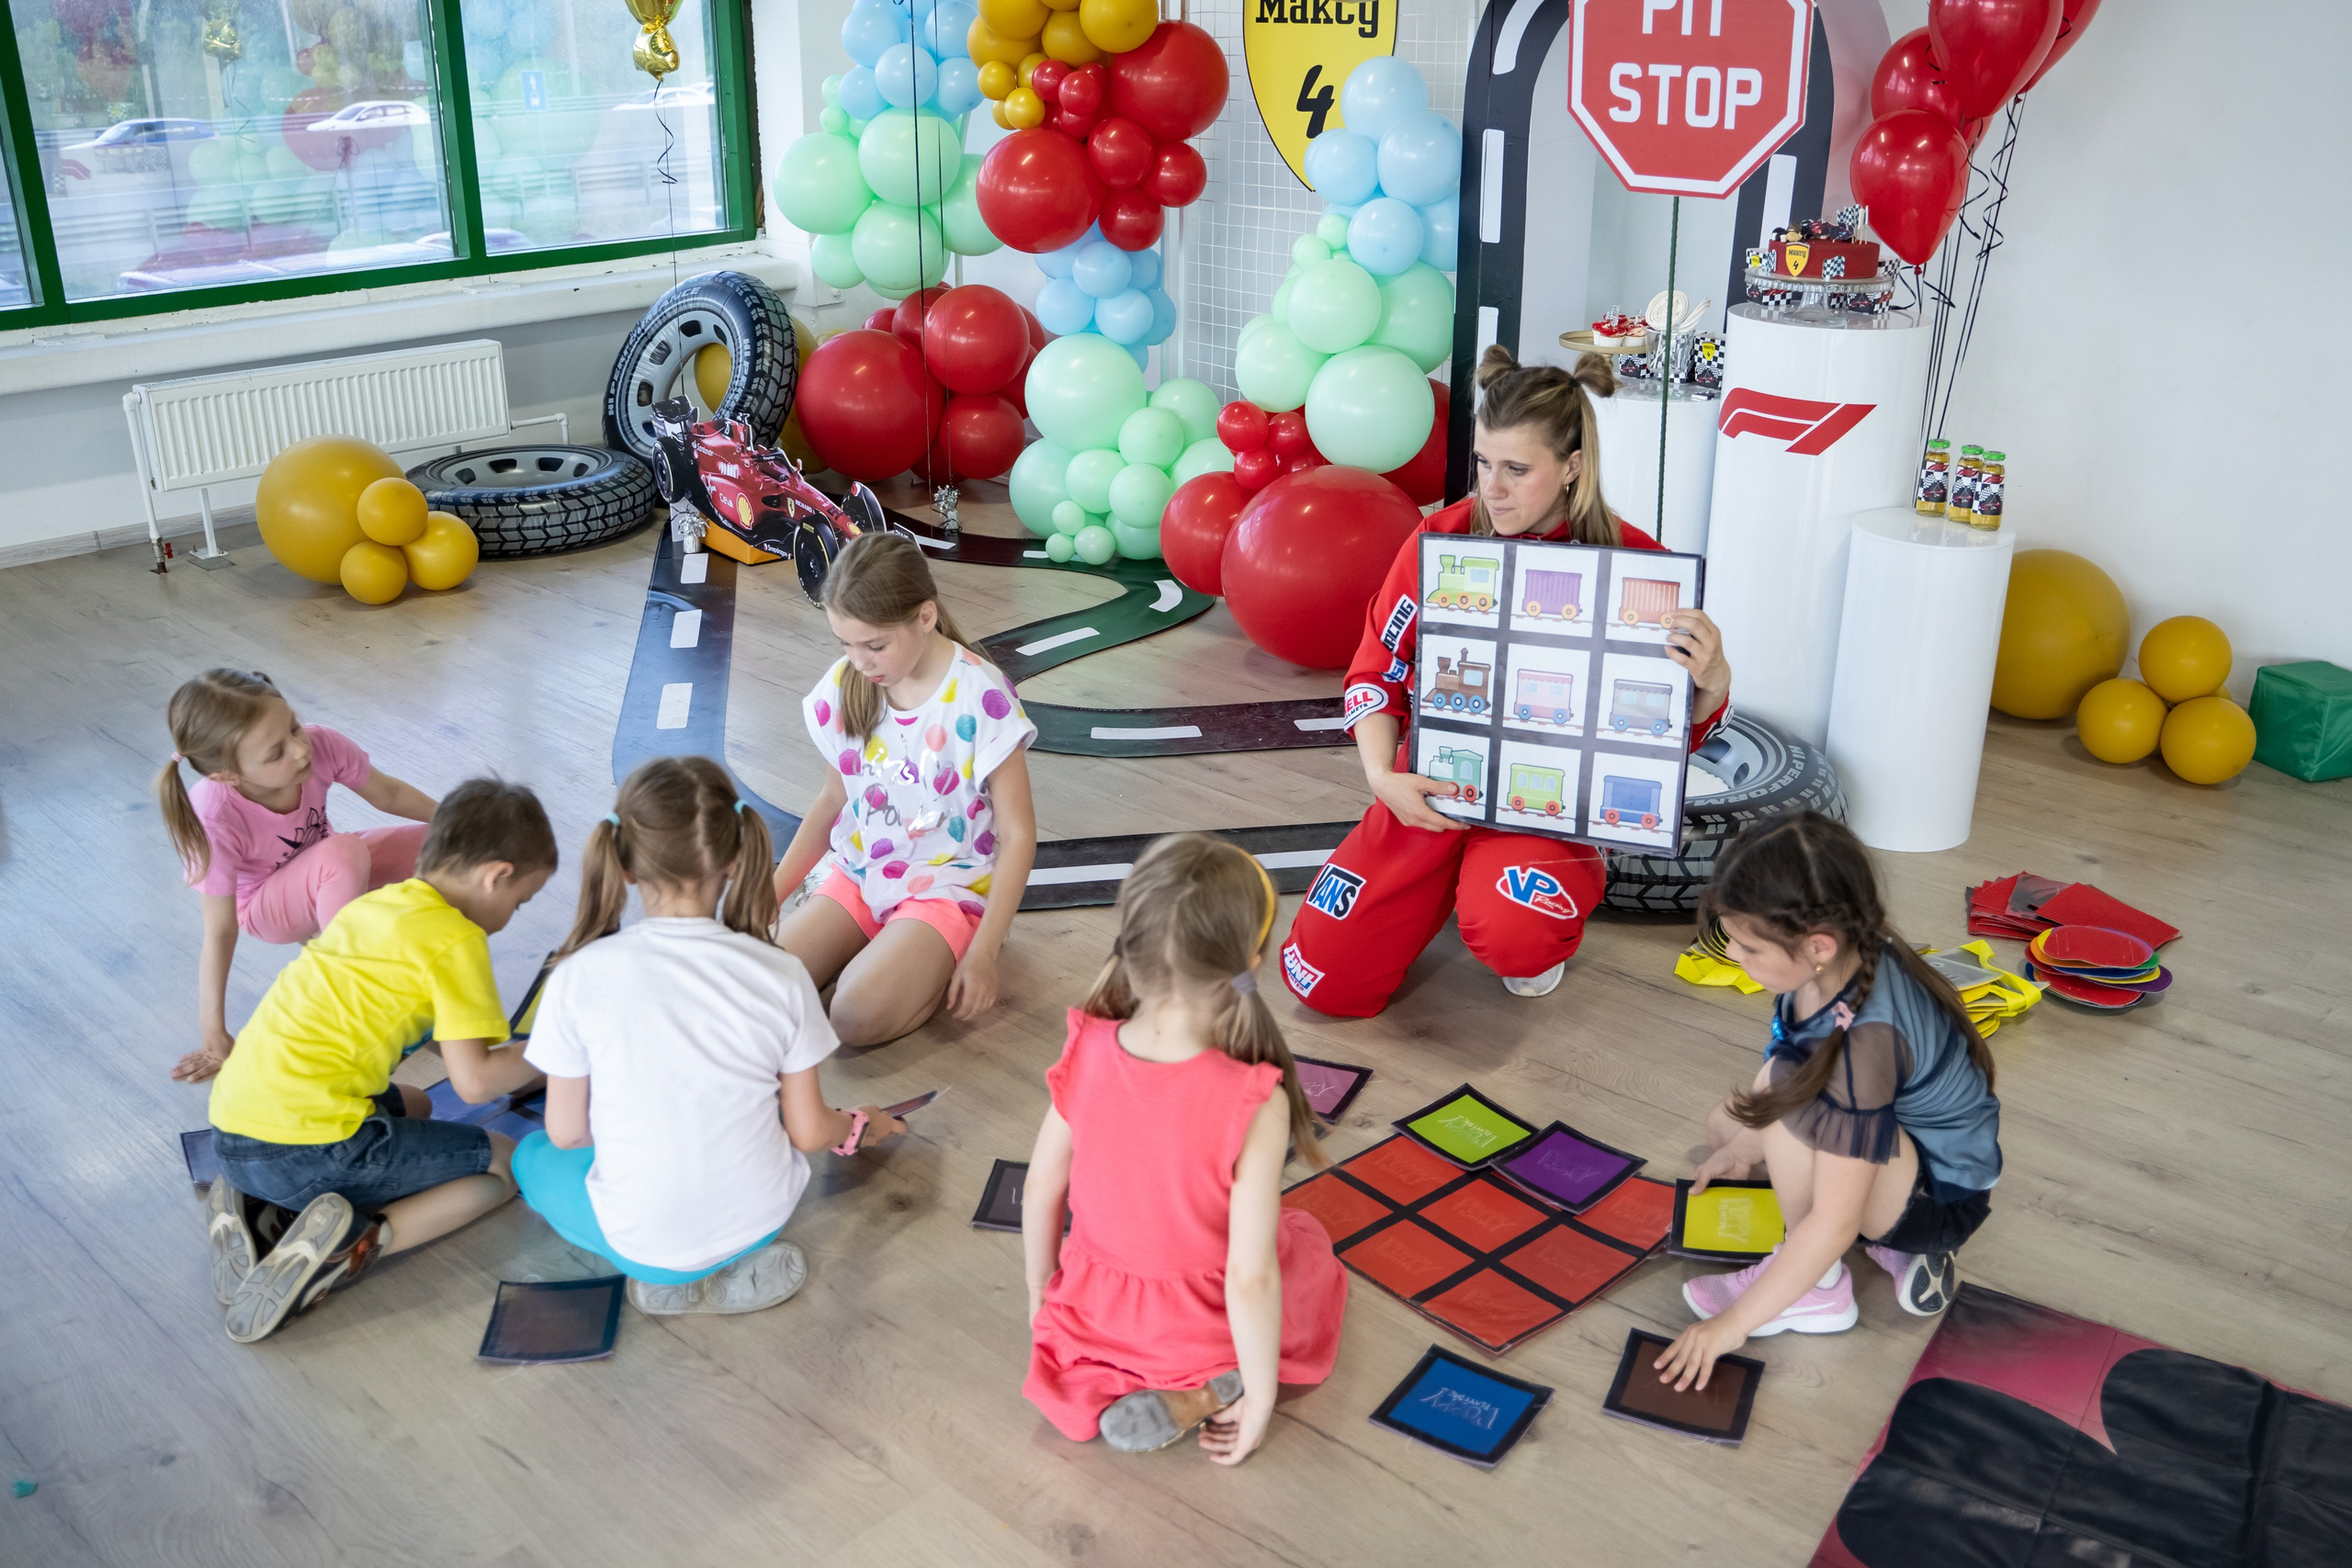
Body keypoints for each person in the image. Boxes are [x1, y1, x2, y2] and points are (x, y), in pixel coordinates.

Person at [1280, 347, 1735, 1016]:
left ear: (1572, 467)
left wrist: (1714, 677)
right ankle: (1439, 887)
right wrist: (1382, 777)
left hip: (1546, 801)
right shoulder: (1439, 540)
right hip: (1433, 784)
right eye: (1484, 463)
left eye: (1517, 469)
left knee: (1514, 935)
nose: (1492, 488)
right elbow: (1376, 670)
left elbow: (1669, 733)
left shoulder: (1638, 566)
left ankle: (1520, 903)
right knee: (1320, 978)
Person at [513, 756, 907, 1317]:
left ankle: (667, 1273)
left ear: (624, 864)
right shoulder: (781, 971)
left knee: (530, 1158)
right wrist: (861, 1124)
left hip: (641, 1243)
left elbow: (568, 1133)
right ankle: (735, 1266)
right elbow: (810, 1130)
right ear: (736, 857)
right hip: (760, 1219)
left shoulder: (576, 974)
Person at [1022, 834, 1349, 1465]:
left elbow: (1041, 1188)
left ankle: (1140, 1374)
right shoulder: (1256, 1098)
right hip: (1200, 1319)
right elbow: (1251, 1279)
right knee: (1306, 1258)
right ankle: (1214, 1381)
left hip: (1091, 1307)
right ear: (1251, 956)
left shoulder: (1085, 1045)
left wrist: (1043, 1293)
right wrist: (1260, 1398)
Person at [1654, 811, 2003, 1393]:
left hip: (1940, 1197)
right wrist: (1743, 1146)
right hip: (1902, 1147)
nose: (1735, 957)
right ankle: (1884, 1250)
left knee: (1792, 1115)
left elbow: (1834, 1219)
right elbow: (1789, 1057)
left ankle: (1820, 1291)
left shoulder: (1863, 1046)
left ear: (1817, 945)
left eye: (1747, 946)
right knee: (1728, 1124)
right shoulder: (1839, 961)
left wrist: (1733, 1326)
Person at [202, 778, 559, 1345]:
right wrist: (560, 1047)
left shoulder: (376, 906)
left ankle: (257, 1201)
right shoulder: (456, 940)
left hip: (235, 1130)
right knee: (505, 1167)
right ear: (497, 875)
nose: (511, 915)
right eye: (519, 902)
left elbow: (442, 1039)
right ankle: (353, 1247)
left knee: (416, 1102)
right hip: (311, 1148)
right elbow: (475, 1083)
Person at [771, 533, 1038, 1045]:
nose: (860, 662)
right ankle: (884, 948)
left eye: (874, 645)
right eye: (845, 644)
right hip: (863, 871)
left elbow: (1019, 835)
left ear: (925, 617)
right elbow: (833, 800)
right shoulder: (848, 684)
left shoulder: (981, 696)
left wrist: (983, 951)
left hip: (945, 886)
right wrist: (773, 892)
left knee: (852, 1018)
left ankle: (933, 950)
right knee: (762, 989)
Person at [158, 669, 441, 1083]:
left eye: (293, 727)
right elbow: (220, 930)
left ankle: (417, 963)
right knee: (343, 851)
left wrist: (465, 819)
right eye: (276, 753)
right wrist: (213, 1033)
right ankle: (352, 994)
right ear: (228, 776)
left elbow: (390, 795)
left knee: (446, 843)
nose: (300, 750)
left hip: (329, 869)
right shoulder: (213, 815)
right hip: (265, 907)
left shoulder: (319, 743)